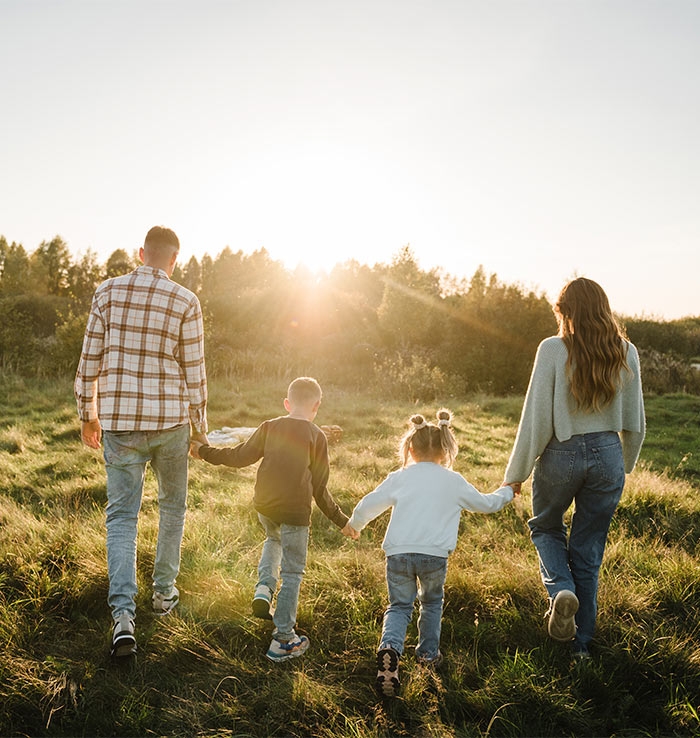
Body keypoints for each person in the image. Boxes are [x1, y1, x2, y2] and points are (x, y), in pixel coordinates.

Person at [75, 226, 208, 657]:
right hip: (171, 423)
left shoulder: (107, 292)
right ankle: (164, 595)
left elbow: (88, 361)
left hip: (120, 423)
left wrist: (86, 416)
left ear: (140, 253)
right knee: (172, 506)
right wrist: (200, 429)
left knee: (121, 518)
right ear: (174, 260)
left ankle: (123, 617)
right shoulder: (186, 300)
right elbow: (195, 374)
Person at [504, 277, 645, 660]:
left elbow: (535, 418)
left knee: (546, 527)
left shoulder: (552, 349)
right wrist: (625, 463)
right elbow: (636, 419)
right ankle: (581, 647)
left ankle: (561, 590)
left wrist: (515, 473)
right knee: (588, 549)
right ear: (603, 309)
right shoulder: (626, 351)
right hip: (607, 453)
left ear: (565, 312)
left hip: (562, 453)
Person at [346, 409, 518, 697]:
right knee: (431, 603)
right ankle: (427, 656)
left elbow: (370, 502)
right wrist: (508, 491)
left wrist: (354, 524)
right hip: (434, 556)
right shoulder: (452, 480)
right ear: (445, 449)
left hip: (398, 553)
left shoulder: (400, 476)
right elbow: (485, 504)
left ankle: (389, 649)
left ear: (410, 448)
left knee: (400, 606)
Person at [190, 376, 356, 663]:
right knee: (292, 572)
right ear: (316, 406)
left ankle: (264, 589)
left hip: (265, 506)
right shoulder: (317, 436)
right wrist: (342, 521)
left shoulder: (269, 426)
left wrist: (203, 451)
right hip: (295, 512)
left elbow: (239, 456)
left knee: (272, 538)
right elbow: (320, 489)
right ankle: (283, 639)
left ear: (287, 403)